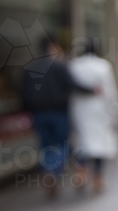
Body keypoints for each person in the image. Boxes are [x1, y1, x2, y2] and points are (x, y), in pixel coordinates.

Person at [20, 36, 94, 198]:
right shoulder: (58, 67)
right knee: (63, 145)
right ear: (53, 47)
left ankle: (49, 171)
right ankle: (52, 171)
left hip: (39, 115)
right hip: (58, 113)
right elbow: (73, 85)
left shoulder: (30, 68)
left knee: (47, 147)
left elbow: (23, 95)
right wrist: (93, 90)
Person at [69, 40, 118, 194]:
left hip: (79, 111)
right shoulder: (103, 66)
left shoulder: (75, 65)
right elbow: (110, 91)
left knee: (83, 143)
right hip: (99, 111)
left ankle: (82, 170)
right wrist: (114, 110)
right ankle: (98, 179)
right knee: (99, 145)